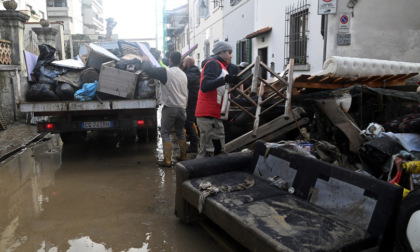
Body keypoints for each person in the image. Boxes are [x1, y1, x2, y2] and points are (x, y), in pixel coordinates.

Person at [141, 52, 188, 167]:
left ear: (170, 60)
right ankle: (183, 156)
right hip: (182, 108)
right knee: (180, 132)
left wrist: (145, 60)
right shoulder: (183, 74)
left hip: (170, 108)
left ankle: (167, 161)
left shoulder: (166, 72)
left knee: (165, 132)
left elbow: (148, 70)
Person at [195, 41, 241, 158]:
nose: (231, 56)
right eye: (229, 52)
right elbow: (205, 86)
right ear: (221, 52)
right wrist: (225, 79)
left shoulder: (220, 66)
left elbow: (222, 93)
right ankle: (200, 174)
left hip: (214, 115)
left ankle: (208, 174)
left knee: (216, 150)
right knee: (208, 151)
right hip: (208, 115)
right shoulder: (213, 64)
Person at [182, 56, 201, 153]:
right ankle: (197, 143)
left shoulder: (192, 73)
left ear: (188, 64)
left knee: (188, 123)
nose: (182, 65)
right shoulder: (193, 71)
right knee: (193, 122)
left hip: (193, 101)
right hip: (193, 100)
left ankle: (194, 146)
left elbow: (185, 81)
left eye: (184, 63)